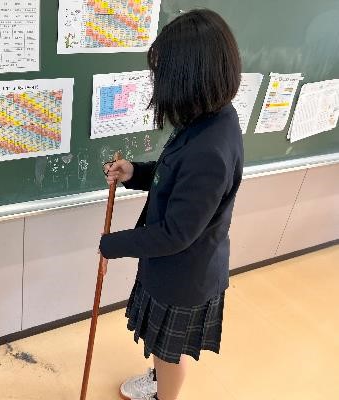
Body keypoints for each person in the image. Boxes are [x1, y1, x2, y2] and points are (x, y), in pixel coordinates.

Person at [99, 9, 243, 400]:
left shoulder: (210, 149)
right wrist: (135, 173)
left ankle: (165, 394)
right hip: (174, 266)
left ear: (191, 77)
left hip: (184, 274)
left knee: (168, 351)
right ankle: (159, 379)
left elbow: (176, 234)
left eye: (163, 74)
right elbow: (174, 177)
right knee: (161, 344)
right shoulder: (207, 119)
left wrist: (112, 244)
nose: (158, 83)